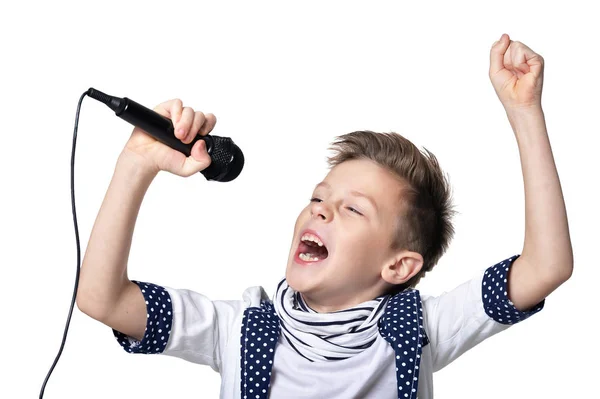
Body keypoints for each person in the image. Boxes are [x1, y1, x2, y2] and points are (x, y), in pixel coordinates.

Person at [77, 33, 573, 398]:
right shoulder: (239, 329)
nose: (322, 211)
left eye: (353, 209)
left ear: (399, 266)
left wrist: (525, 111)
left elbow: (546, 267)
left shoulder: (420, 328)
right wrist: (137, 163)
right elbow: (103, 299)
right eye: (318, 198)